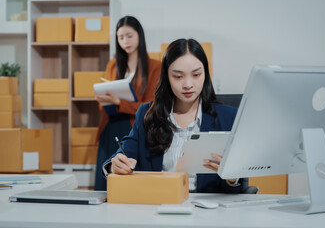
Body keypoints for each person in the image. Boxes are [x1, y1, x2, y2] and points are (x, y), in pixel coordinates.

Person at [103, 38, 248, 193]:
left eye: (196, 75)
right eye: (178, 76)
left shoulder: (229, 117)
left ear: (205, 73)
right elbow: (123, 155)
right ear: (167, 77)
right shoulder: (147, 115)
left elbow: (240, 184)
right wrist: (115, 165)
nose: (188, 84)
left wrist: (232, 178)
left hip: (209, 211)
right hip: (157, 205)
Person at [94, 16, 161, 191]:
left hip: (133, 126)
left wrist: (118, 102)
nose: (125, 41)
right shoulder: (113, 66)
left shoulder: (155, 66)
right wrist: (105, 99)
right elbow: (103, 106)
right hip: (111, 125)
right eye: (121, 37)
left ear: (139, 35)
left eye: (129, 35)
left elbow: (150, 105)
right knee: (106, 175)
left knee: (127, 180)